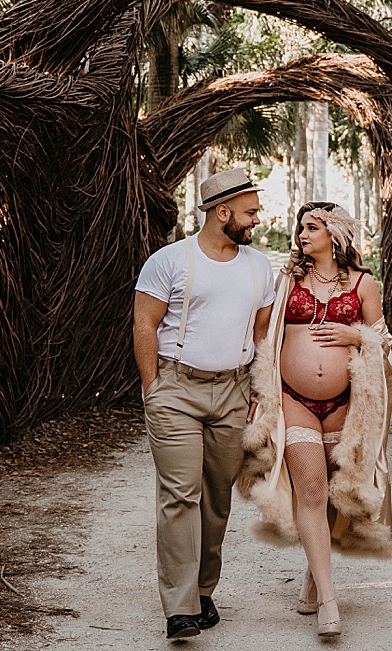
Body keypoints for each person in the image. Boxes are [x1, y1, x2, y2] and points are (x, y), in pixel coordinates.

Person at [237, 202, 392, 639]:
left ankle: (315, 572)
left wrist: (355, 334)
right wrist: (259, 390)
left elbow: (384, 341)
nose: (302, 234)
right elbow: (265, 335)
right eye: (301, 228)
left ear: (335, 233)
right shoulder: (288, 280)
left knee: (332, 493)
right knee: (310, 490)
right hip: (294, 400)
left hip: (346, 404)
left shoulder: (363, 283)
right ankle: (329, 601)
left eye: (312, 227)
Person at [134, 168, 277, 641]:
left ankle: (202, 591)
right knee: (180, 495)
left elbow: (261, 334)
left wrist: (259, 391)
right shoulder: (169, 261)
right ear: (222, 212)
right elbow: (144, 325)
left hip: (234, 391)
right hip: (176, 389)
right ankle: (179, 609)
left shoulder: (260, 267)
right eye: (250, 212)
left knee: (217, 497)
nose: (257, 219)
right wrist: (154, 388)